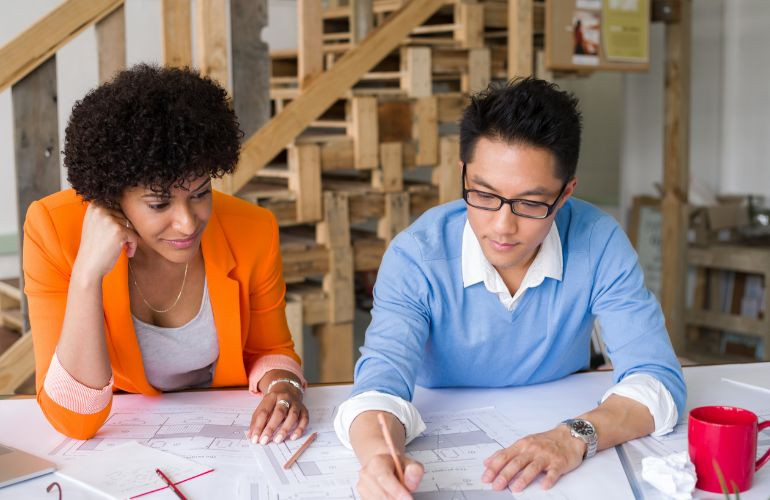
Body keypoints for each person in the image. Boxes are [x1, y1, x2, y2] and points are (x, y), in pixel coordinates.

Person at [333, 77, 686, 498]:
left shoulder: (599, 241)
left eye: (531, 203)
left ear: (566, 192)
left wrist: (573, 436)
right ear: (463, 173)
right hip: (446, 427)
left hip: (559, 433)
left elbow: (658, 380)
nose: (502, 226)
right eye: (483, 194)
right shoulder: (416, 256)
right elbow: (379, 384)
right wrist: (378, 458)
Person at [23, 64, 307, 445]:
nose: (188, 224)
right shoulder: (54, 231)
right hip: (127, 441)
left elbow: (269, 349)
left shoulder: (252, 230)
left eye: (201, 193)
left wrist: (284, 386)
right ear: (112, 197)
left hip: (226, 438)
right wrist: (88, 275)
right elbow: (74, 421)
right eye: (159, 204)